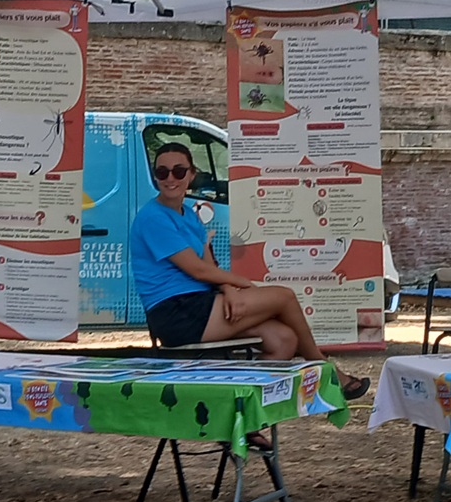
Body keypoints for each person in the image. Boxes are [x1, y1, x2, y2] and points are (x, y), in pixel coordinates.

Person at [128, 143, 369, 400]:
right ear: (155, 176)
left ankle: (239, 408)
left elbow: (209, 266)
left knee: (284, 340)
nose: (170, 178)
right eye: (162, 172)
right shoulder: (153, 217)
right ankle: (323, 367)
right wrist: (241, 282)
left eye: (178, 171)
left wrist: (230, 290)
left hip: (202, 303)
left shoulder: (188, 214)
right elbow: (197, 270)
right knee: (284, 297)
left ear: (192, 174)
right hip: (176, 312)